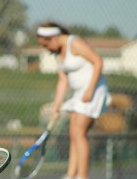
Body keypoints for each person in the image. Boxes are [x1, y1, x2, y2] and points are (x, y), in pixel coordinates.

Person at [36, 22, 110, 179]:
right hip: (78, 94)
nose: (47, 48)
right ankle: (71, 175)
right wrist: (56, 106)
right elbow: (63, 82)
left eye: (46, 44)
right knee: (73, 133)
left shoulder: (74, 42)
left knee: (79, 132)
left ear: (54, 37)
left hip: (94, 90)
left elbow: (98, 61)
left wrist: (90, 88)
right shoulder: (58, 53)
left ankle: (82, 176)